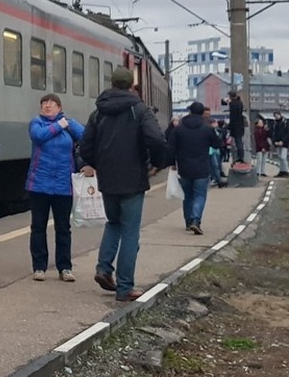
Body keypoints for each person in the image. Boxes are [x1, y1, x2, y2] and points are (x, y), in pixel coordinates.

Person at [79, 66, 167, 302]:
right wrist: (156, 164)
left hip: (107, 179)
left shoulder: (98, 112)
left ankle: (104, 269)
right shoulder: (140, 109)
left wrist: (97, 163)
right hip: (132, 178)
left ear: (112, 83)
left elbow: (85, 145)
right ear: (131, 86)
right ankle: (125, 287)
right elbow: (157, 139)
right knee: (130, 232)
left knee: (114, 223)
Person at [24, 93, 85, 281]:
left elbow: (85, 136)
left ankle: (65, 267)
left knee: (63, 228)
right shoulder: (36, 123)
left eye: (52, 104)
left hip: (63, 185)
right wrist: (59, 125)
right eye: (44, 103)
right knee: (38, 227)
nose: (47, 106)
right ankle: (39, 267)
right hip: (39, 185)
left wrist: (69, 123)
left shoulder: (69, 125)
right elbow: (39, 137)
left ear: (59, 107)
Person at [168, 101, 222, 235]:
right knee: (200, 194)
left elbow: (171, 147)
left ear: (190, 111)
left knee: (188, 195)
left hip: (184, 167)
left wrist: (172, 163)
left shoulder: (179, 128)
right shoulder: (207, 128)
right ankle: (196, 220)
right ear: (202, 113)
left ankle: (188, 222)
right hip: (202, 167)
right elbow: (217, 144)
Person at [271, 111, 289, 177]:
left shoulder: (286, 123)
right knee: (280, 157)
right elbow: (273, 133)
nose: (276, 117)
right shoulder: (274, 123)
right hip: (277, 142)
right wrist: (274, 141)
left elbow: (288, 133)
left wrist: (282, 141)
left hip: (285, 143)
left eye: (277, 115)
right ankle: (281, 171)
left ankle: (286, 171)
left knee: (283, 157)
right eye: (275, 116)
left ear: (280, 115)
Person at [227, 90, 246, 163]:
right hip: (240, 125)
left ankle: (240, 157)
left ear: (231, 96)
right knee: (239, 141)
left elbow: (232, 116)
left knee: (237, 142)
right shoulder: (240, 103)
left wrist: (230, 126)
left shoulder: (233, 104)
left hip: (235, 126)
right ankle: (240, 156)